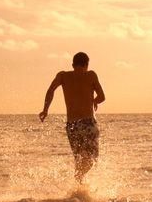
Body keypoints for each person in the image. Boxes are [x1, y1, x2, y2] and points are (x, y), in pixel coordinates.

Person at [38, 51, 106, 181]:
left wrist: (45, 110)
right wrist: (94, 101)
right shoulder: (91, 75)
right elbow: (102, 97)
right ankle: (79, 179)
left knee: (79, 159)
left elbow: (50, 90)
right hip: (88, 123)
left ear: (73, 64)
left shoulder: (63, 76)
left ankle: (78, 188)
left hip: (72, 125)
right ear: (87, 64)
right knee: (92, 159)